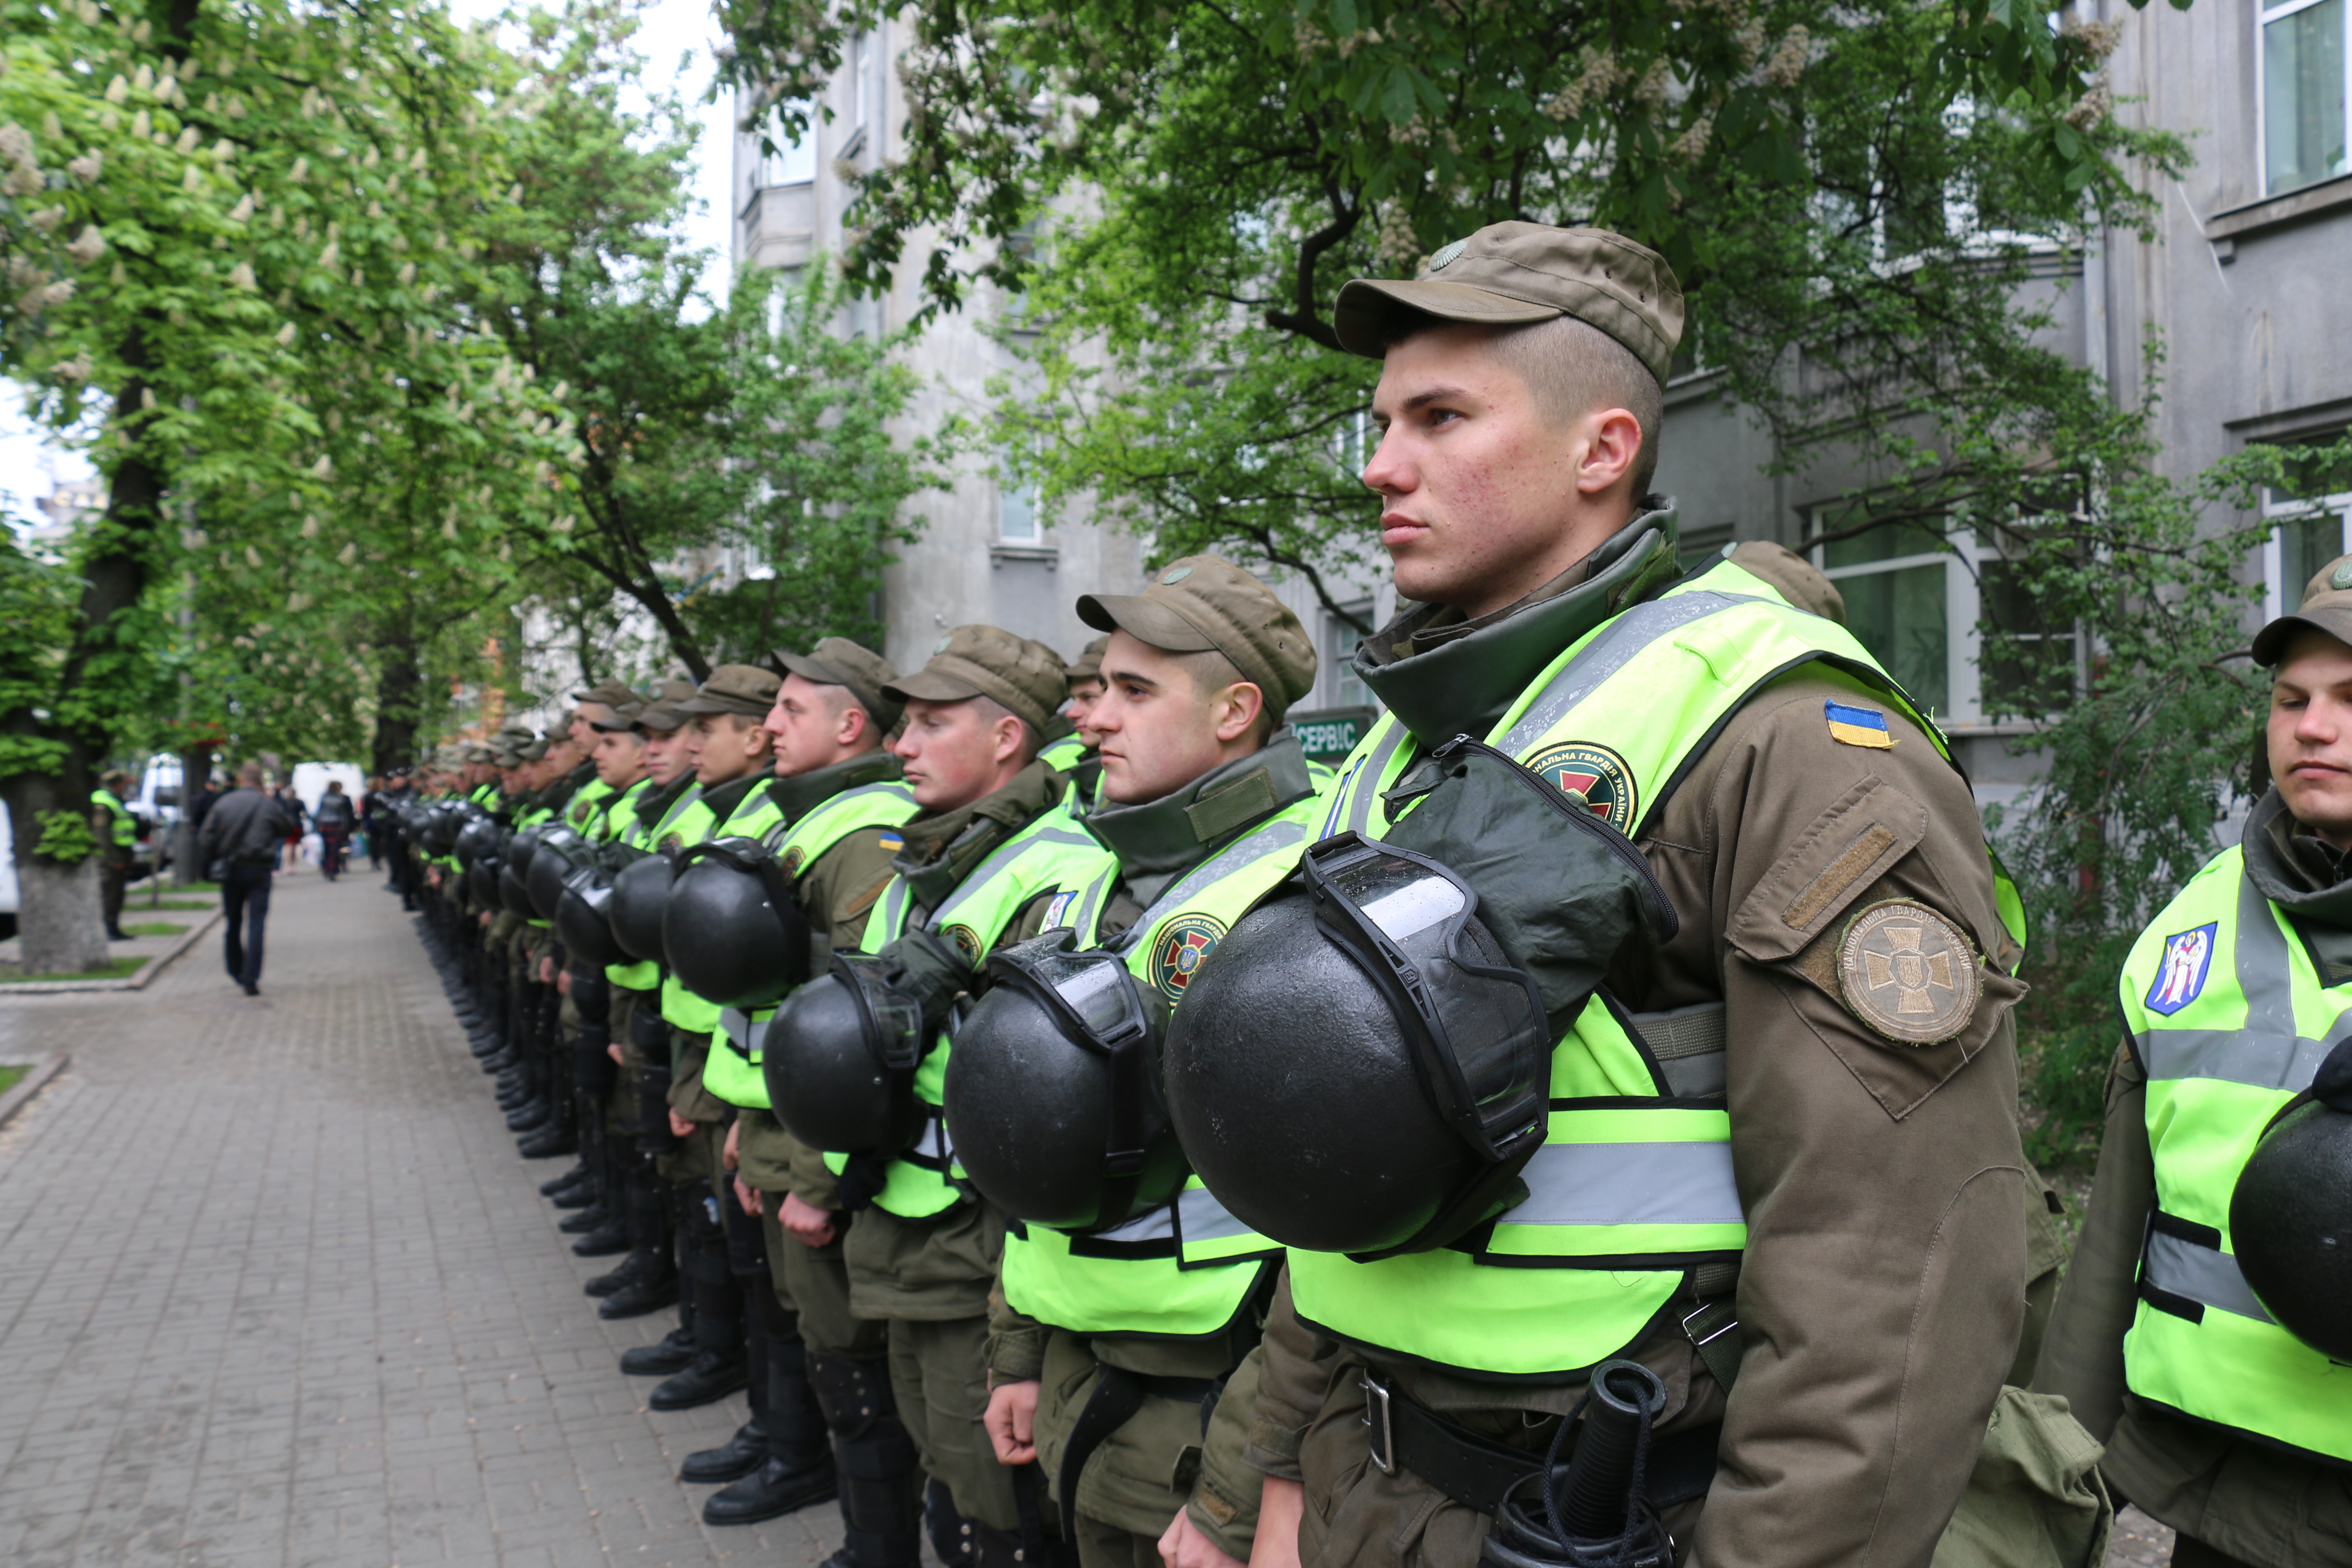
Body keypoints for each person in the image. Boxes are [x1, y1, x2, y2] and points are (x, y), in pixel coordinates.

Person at [1167, 223, 2038, 1568]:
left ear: (1603, 448)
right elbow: (1343, 1194)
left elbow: (1896, 1269)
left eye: (1440, 416)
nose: (1379, 463)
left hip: (1627, 1519)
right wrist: (1261, 1476)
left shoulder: (1784, 737)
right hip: (1365, 1492)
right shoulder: (1403, 755)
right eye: (1381, 418)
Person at [968, 557, 1322, 1568]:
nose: (1091, 718)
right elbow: (1032, 1152)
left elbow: (1335, 1255)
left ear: (1234, 711)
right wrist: (1019, 1355)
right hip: (1084, 1384)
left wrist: (1235, 1496)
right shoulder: (1085, 885)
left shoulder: (1300, 894)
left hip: (1212, 1412)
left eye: (1133, 691)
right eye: (1097, 690)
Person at [2034, 559, 2352, 1568]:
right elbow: (2112, 1243)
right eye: (2288, 699)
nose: (2308, 727)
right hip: (2213, 1501)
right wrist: (2042, 1477)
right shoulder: (2193, 930)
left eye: (2350, 700)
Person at [805, 625, 1113, 1568]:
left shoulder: (1058, 869)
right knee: (947, 1476)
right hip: (906, 1218)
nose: (901, 745)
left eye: (932, 725)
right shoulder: (928, 857)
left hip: (981, 1246)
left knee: (1002, 1512)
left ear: (1007, 738)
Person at [686, 638, 916, 1532]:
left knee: (840, 1346)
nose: (769, 728)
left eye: (789, 711)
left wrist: (818, 1174)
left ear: (850, 723)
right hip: (775, 1120)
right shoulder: (803, 815)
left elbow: (857, 1028)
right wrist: (747, 1118)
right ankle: (787, 1446)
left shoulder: (866, 834)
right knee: (791, 1316)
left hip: (818, 1137)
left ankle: (865, 1527)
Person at [197, 761, 295, 997]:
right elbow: (286, 829)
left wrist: (213, 859)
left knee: (233, 922)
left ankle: (236, 970)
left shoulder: (224, 803)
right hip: (260, 870)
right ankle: (252, 977)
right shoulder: (268, 805)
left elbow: (205, 837)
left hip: (231, 870)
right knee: (257, 923)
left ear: (241, 780)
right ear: (261, 781)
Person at [91, 770, 138, 940]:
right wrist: (113, 859)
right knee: (111, 895)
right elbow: (102, 836)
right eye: (124, 784)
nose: (125, 787)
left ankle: (113, 927)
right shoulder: (104, 803)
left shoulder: (114, 801)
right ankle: (108, 929)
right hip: (112, 860)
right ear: (117, 784)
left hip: (120, 856)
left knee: (116, 895)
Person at [314, 781, 356, 881]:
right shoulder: (342, 798)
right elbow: (345, 814)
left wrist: (317, 826)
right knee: (336, 847)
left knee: (327, 847)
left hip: (324, 825)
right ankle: (334, 867)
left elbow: (319, 812)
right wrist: (347, 827)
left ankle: (326, 867)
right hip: (337, 825)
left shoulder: (324, 797)